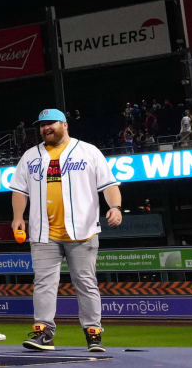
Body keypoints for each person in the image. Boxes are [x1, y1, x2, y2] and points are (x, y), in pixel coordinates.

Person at [11, 109, 122, 353]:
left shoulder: (88, 151)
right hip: (43, 232)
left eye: (50, 123)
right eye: (41, 125)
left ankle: (93, 333)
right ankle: (43, 333)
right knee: (43, 283)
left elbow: (109, 184)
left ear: (64, 124)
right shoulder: (30, 156)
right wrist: (18, 217)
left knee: (86, 283)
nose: (45, 128)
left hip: (82, 231)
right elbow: (20, 190)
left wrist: (115, 207)